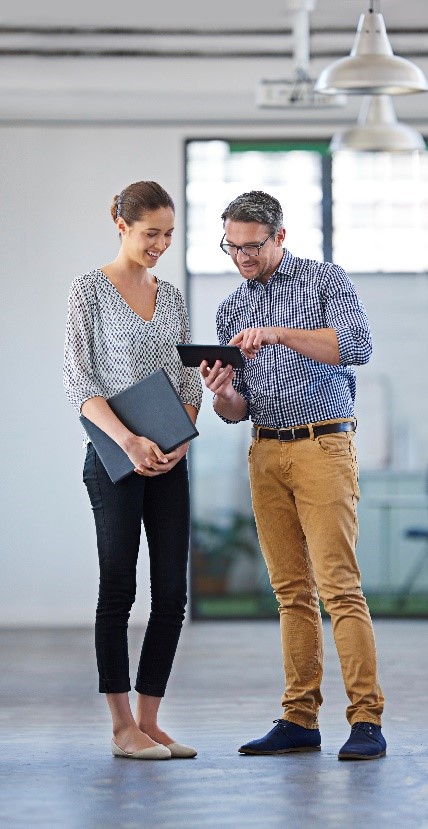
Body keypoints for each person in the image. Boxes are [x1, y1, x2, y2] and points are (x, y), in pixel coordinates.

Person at [200, 190, 386, 761]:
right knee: (290, 593)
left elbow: (357, 346)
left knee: (339, 588)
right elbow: (237, 409)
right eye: (232, 247)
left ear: (279, 237)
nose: (242, 258)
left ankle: (366, 719)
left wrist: (279, 332)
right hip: (265, 452)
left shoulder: (325, 281)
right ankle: (300, 718)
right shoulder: (231, 308)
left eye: (252, 246)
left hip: (323, 446)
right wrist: (222, 393)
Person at [63, 181, 203, 760]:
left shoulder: (172, 297)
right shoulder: (89, 290)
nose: (160, 245)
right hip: (113, 461)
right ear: (120, 224)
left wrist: (181, 441)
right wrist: (128, 441)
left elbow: (187, 379)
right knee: (118, 588)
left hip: (168, 460)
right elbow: (79, 381)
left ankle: (150, 721)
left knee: (171, 593)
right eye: (151, 234)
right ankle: (122, 727)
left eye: (168, 235)